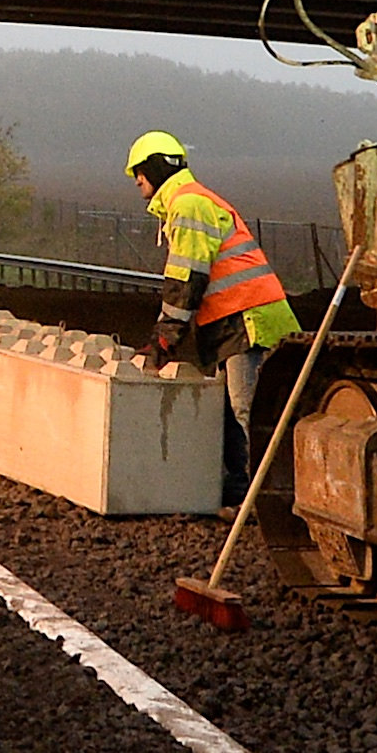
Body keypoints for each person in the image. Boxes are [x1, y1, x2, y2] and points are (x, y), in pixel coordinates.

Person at [130, 130, 298, 498]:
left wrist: (164, 338)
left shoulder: (188, 205)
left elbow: (186, 280)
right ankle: (239, 492)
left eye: (139, 171)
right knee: (229, 412)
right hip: (234, 319)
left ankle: (265, 502)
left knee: (246, 412)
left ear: (156, 169)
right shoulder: (190, 201)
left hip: (249, 318)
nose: (137, 180)